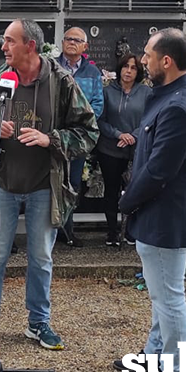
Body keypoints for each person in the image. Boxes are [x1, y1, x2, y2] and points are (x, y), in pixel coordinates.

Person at [0, 19, 97, 352]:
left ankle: (38, 322)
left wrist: (51, 138)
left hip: (45, 185)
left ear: (30, 45)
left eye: (9, 41)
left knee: (40, 258)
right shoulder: (0, 80)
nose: (3, 47)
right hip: (4, 182)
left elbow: (89, 132)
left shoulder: (61, 82)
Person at [117, 28, 186, 372]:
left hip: (166, 215)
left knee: (169, 296)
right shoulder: (172, 95)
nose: (143, 60)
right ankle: (153, 355)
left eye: (148, 55)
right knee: (161, 294)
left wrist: (126, 201)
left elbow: (159, 170)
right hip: (160, 213)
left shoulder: (179, 106)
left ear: (166, 61)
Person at [97, 53, 151, 247]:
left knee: (134, 191)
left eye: (133, 68)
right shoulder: (106, 91)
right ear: (119, 69)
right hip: (110, 149)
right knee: (111, 191)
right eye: (125, 67)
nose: (128, 71)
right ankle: (112, 232)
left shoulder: (146, 92)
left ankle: (131, 231)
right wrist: (119, 134)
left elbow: (149, 119)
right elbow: (100, 119)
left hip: (136, 150)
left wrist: (133, 136)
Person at [57, 27, 104, 248]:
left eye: (77, 40)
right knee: (51, 181)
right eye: (68, 39)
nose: (72, 43)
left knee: (73, 184)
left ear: (85, 47)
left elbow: (97, 104)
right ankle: (52, 230)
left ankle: (68, 230)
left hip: (78, 139)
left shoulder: (92, 73)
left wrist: (80, 124)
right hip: (54, 137)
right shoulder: (51, 67)